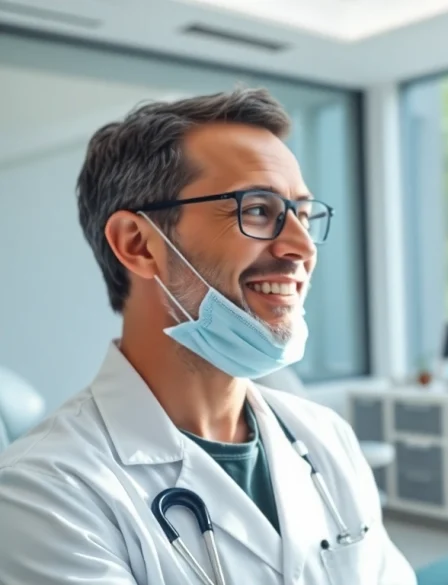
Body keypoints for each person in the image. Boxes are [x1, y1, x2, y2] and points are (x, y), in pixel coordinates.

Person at [0, 88, 416, 585]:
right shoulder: (45, 491)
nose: (302, 247)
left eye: (303, 214)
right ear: (139, 244)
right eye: (257, 209)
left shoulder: (326, 437)